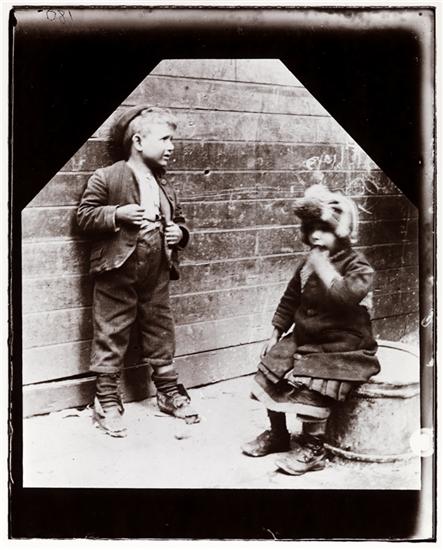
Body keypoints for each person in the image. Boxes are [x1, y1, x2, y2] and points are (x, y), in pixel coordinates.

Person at [77, 105, 200, 437]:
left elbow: (180, 221)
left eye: (172, 139)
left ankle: (168, 391)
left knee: (160, 329)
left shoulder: (164, 185)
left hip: (156, 269)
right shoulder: (107, 177)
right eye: (165, 139)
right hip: (117, 268)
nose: (172, 146)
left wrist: (179, 234)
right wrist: (117, 214)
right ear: (139, 142)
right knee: (111, 330)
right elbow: (84, 216)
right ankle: (106, 399)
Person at [242, 183, 380, 475]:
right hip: (306, 337)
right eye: (311, 228)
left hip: (343, 346)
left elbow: (345, 296)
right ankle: (278, 434)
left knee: (314, 385)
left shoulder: (358, 266)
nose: (316, 235)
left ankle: (313, 448)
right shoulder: (307, 264)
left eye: (324, 229)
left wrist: (323, 267)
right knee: (271, 366)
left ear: (342, 232)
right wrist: (275, 333)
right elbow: (290, 299)